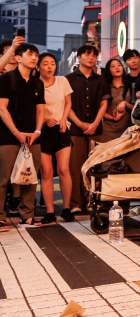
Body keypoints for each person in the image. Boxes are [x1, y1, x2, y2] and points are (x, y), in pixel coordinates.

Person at [0, 43, 44, 228]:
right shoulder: (7, 79)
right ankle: (0, 216)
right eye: (30, 54)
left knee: (30, 176)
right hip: (8, 135)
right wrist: (16, 132)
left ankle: (27, 215)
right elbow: (2, 108)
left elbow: (40, 110)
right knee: (3, 178)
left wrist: (37, 132)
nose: (34, 58)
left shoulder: (38, 82)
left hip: (32, 136)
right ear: (18, 58)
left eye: (36, 55)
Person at [66, 44, 110, 213]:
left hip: (96, 130)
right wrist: (79, 123)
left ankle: (92, 201)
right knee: (75, 167)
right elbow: (66, 105)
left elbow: (104, 103)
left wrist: (95, 123)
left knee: (94, 166)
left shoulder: (101, 80)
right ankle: (75, 204)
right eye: (87, 54)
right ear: (79, 57)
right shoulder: (68, 79)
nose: (91, 57)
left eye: (93, 55)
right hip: (75, 130)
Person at [35, 52, 73, 224]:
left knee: (63, 169)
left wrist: (63, 119)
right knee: (47, 172)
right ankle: (50, 211)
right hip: (42, 131)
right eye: (45, 63)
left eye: (52, 63)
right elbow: (33, 109)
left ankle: (66, 209)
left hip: (61, 128)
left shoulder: (62, 81)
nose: (50, 66)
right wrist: (44, 120)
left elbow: (68, 103)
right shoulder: (34, 84)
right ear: (38, 67)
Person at [101, 58, 132, 142]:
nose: (117, 68)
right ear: (109, 70)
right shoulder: (105, 87)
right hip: (107, 130)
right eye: (113, 66)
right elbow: (99, 110)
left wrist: (125, 103)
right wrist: (112, 118)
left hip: (126, 130)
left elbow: (135, 108)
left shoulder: (130, 86)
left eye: (119, 65)